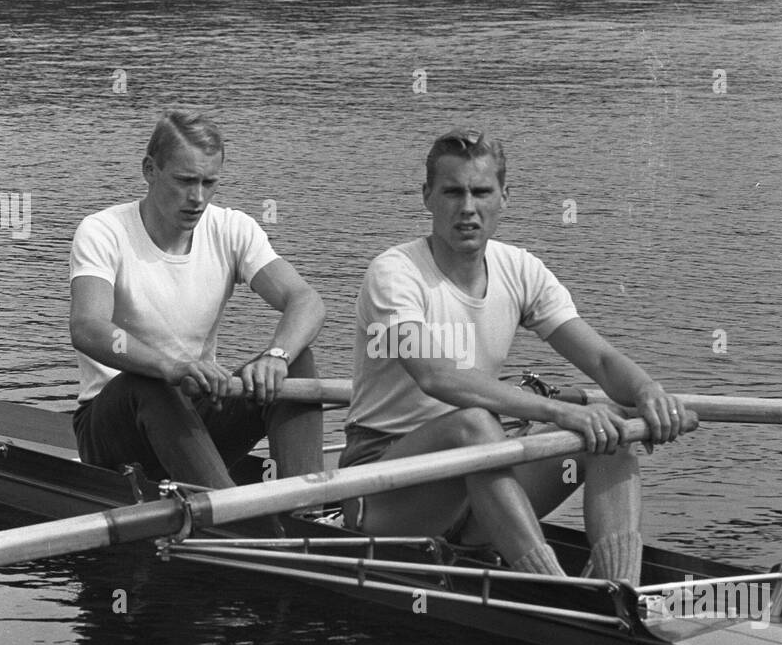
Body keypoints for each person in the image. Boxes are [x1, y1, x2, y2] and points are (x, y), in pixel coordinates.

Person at [339, 128, 695, 584]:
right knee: (475, 423)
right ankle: (550, 588)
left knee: (612, 427)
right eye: (453, 192)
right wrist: (557, 410)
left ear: (505, 197)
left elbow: (602, 362)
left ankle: (620, 593)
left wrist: (648, 393)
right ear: (427, 196)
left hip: (480, 477)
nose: (468, 208)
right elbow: (436, 377)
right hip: (385, 490)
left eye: (481, 192)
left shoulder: (519, 269)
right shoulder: (394, 273)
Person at [69, 109, 325, 491]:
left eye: (209, 183)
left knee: (296, 360)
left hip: (194, 411)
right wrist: (169, 366)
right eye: (185, 181)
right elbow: (88, 328)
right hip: (114, 429)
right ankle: (229, 517)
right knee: (152, 380)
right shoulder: (103, 232)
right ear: (149, 170)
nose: (198, 198)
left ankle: (305, 510)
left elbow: (306, 300)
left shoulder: (232, 228)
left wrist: (277, 355)